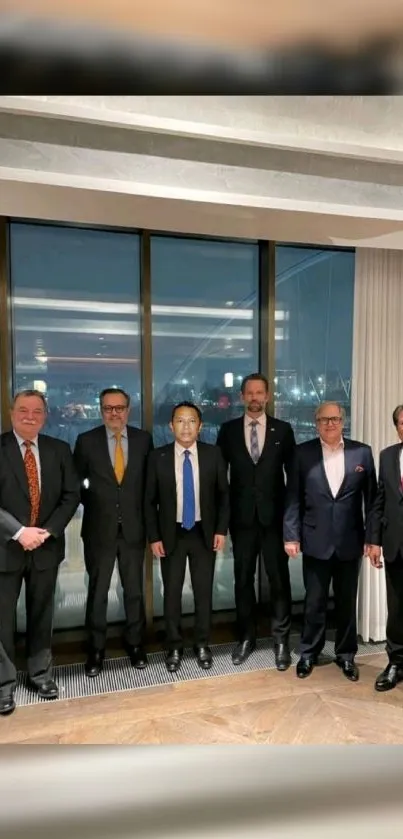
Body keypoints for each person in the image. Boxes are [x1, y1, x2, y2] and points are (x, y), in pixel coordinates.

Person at [284, 401, 377, 681]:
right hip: (315, 540)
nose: (330, 424)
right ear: (316, 423)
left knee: (347, 603)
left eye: (335, 419)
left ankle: (346, 655)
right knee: (314, 602)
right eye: (324, 420)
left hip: (351, 541)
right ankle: (309, 654)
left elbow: (372, 501)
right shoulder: (302, 453)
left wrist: (372, 538)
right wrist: (291, 535)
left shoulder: (362, 452)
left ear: (342, 421)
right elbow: (293, 498)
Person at [0, 389, 80, 716]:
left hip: (46, 546)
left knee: (42, 613)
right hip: (6, 548)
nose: (29, 416)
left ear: (45, 416)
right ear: (11, 412)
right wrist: (19, 532)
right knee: (2, 620)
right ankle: (3, 685)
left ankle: (40, 674)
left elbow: (71, 495)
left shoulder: (58, 449)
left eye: (37, 411)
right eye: (23, 410)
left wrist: (46, 531)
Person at [216, 373, 295, 669]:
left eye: (259, 392)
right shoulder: (227, 431)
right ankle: (246, 637)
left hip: (274, 521)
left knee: (279, 581)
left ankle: (280, 641)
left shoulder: (283, 431)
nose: (254, 397)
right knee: (242, 581)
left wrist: (291, 524)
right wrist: (221, 524)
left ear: (267, 396)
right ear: (241, 397)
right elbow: (219, 482)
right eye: (249, 393)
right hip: (242, 520)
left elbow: (293, 479)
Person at [73, 387, 153, 677]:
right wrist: (99, 507)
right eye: (108, 408)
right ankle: (95, 649)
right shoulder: (86, 441)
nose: (114, 413)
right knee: (98, 593)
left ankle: (135, 644)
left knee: (133, 591)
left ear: (128, 410)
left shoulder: (144, 440)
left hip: (134, 529)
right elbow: (77, 485)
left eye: (120, 408)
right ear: (101, 410)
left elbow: (149, 485)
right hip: (99, 530)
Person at [145, 401, 229, 672]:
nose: (186, 426)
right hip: (172, 535)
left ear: (200, 426)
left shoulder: (213, 454)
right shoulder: (157, 457)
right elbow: (149, 501)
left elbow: (223, 496)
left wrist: (220, 530)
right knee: (171, 593)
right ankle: (174, 646)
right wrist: (154, 536)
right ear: (171, 426)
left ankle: (202, 643)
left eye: (191, 421)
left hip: (204, 534)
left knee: (204, 592)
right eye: (180, 421)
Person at [366, 405, 403, 691]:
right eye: (401, 423)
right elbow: (380, 501)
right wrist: (374, 540)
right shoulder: (387, 455)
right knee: (397, 608)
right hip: (394, 546)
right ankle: (396, 663)